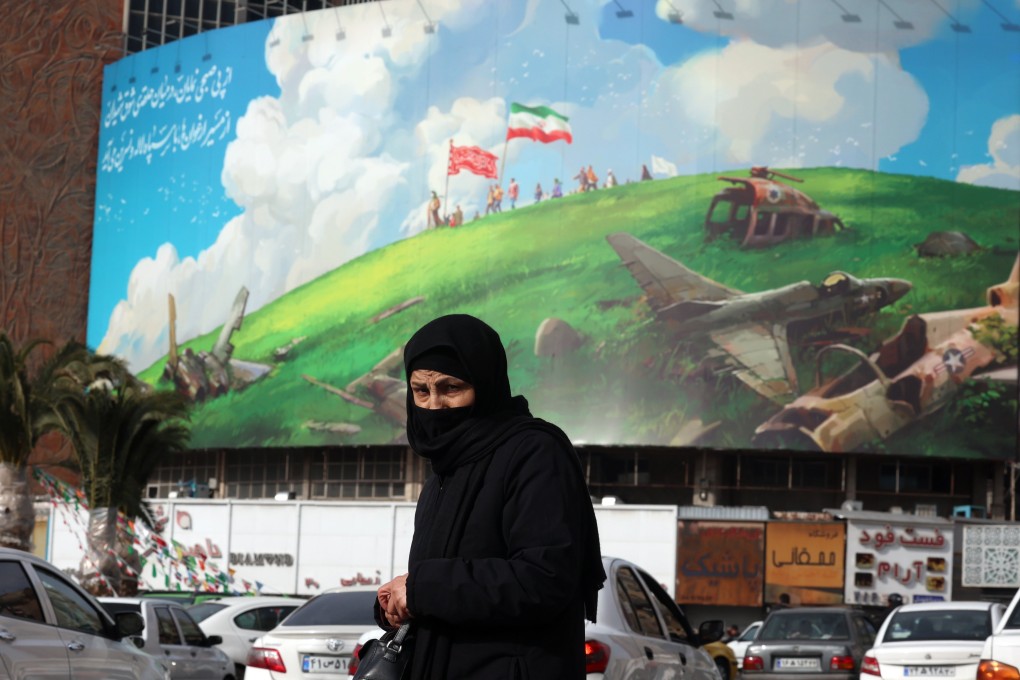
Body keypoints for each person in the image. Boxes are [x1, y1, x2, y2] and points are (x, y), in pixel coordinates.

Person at [375, 314, 606, 680]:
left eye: (451, 388)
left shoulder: (535, 452)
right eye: (421, 390)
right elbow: (449, 587)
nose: (435, 405)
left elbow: (543, 578)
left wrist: (423, 588)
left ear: (484, 383)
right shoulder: (444, 471)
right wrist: (400, 601)